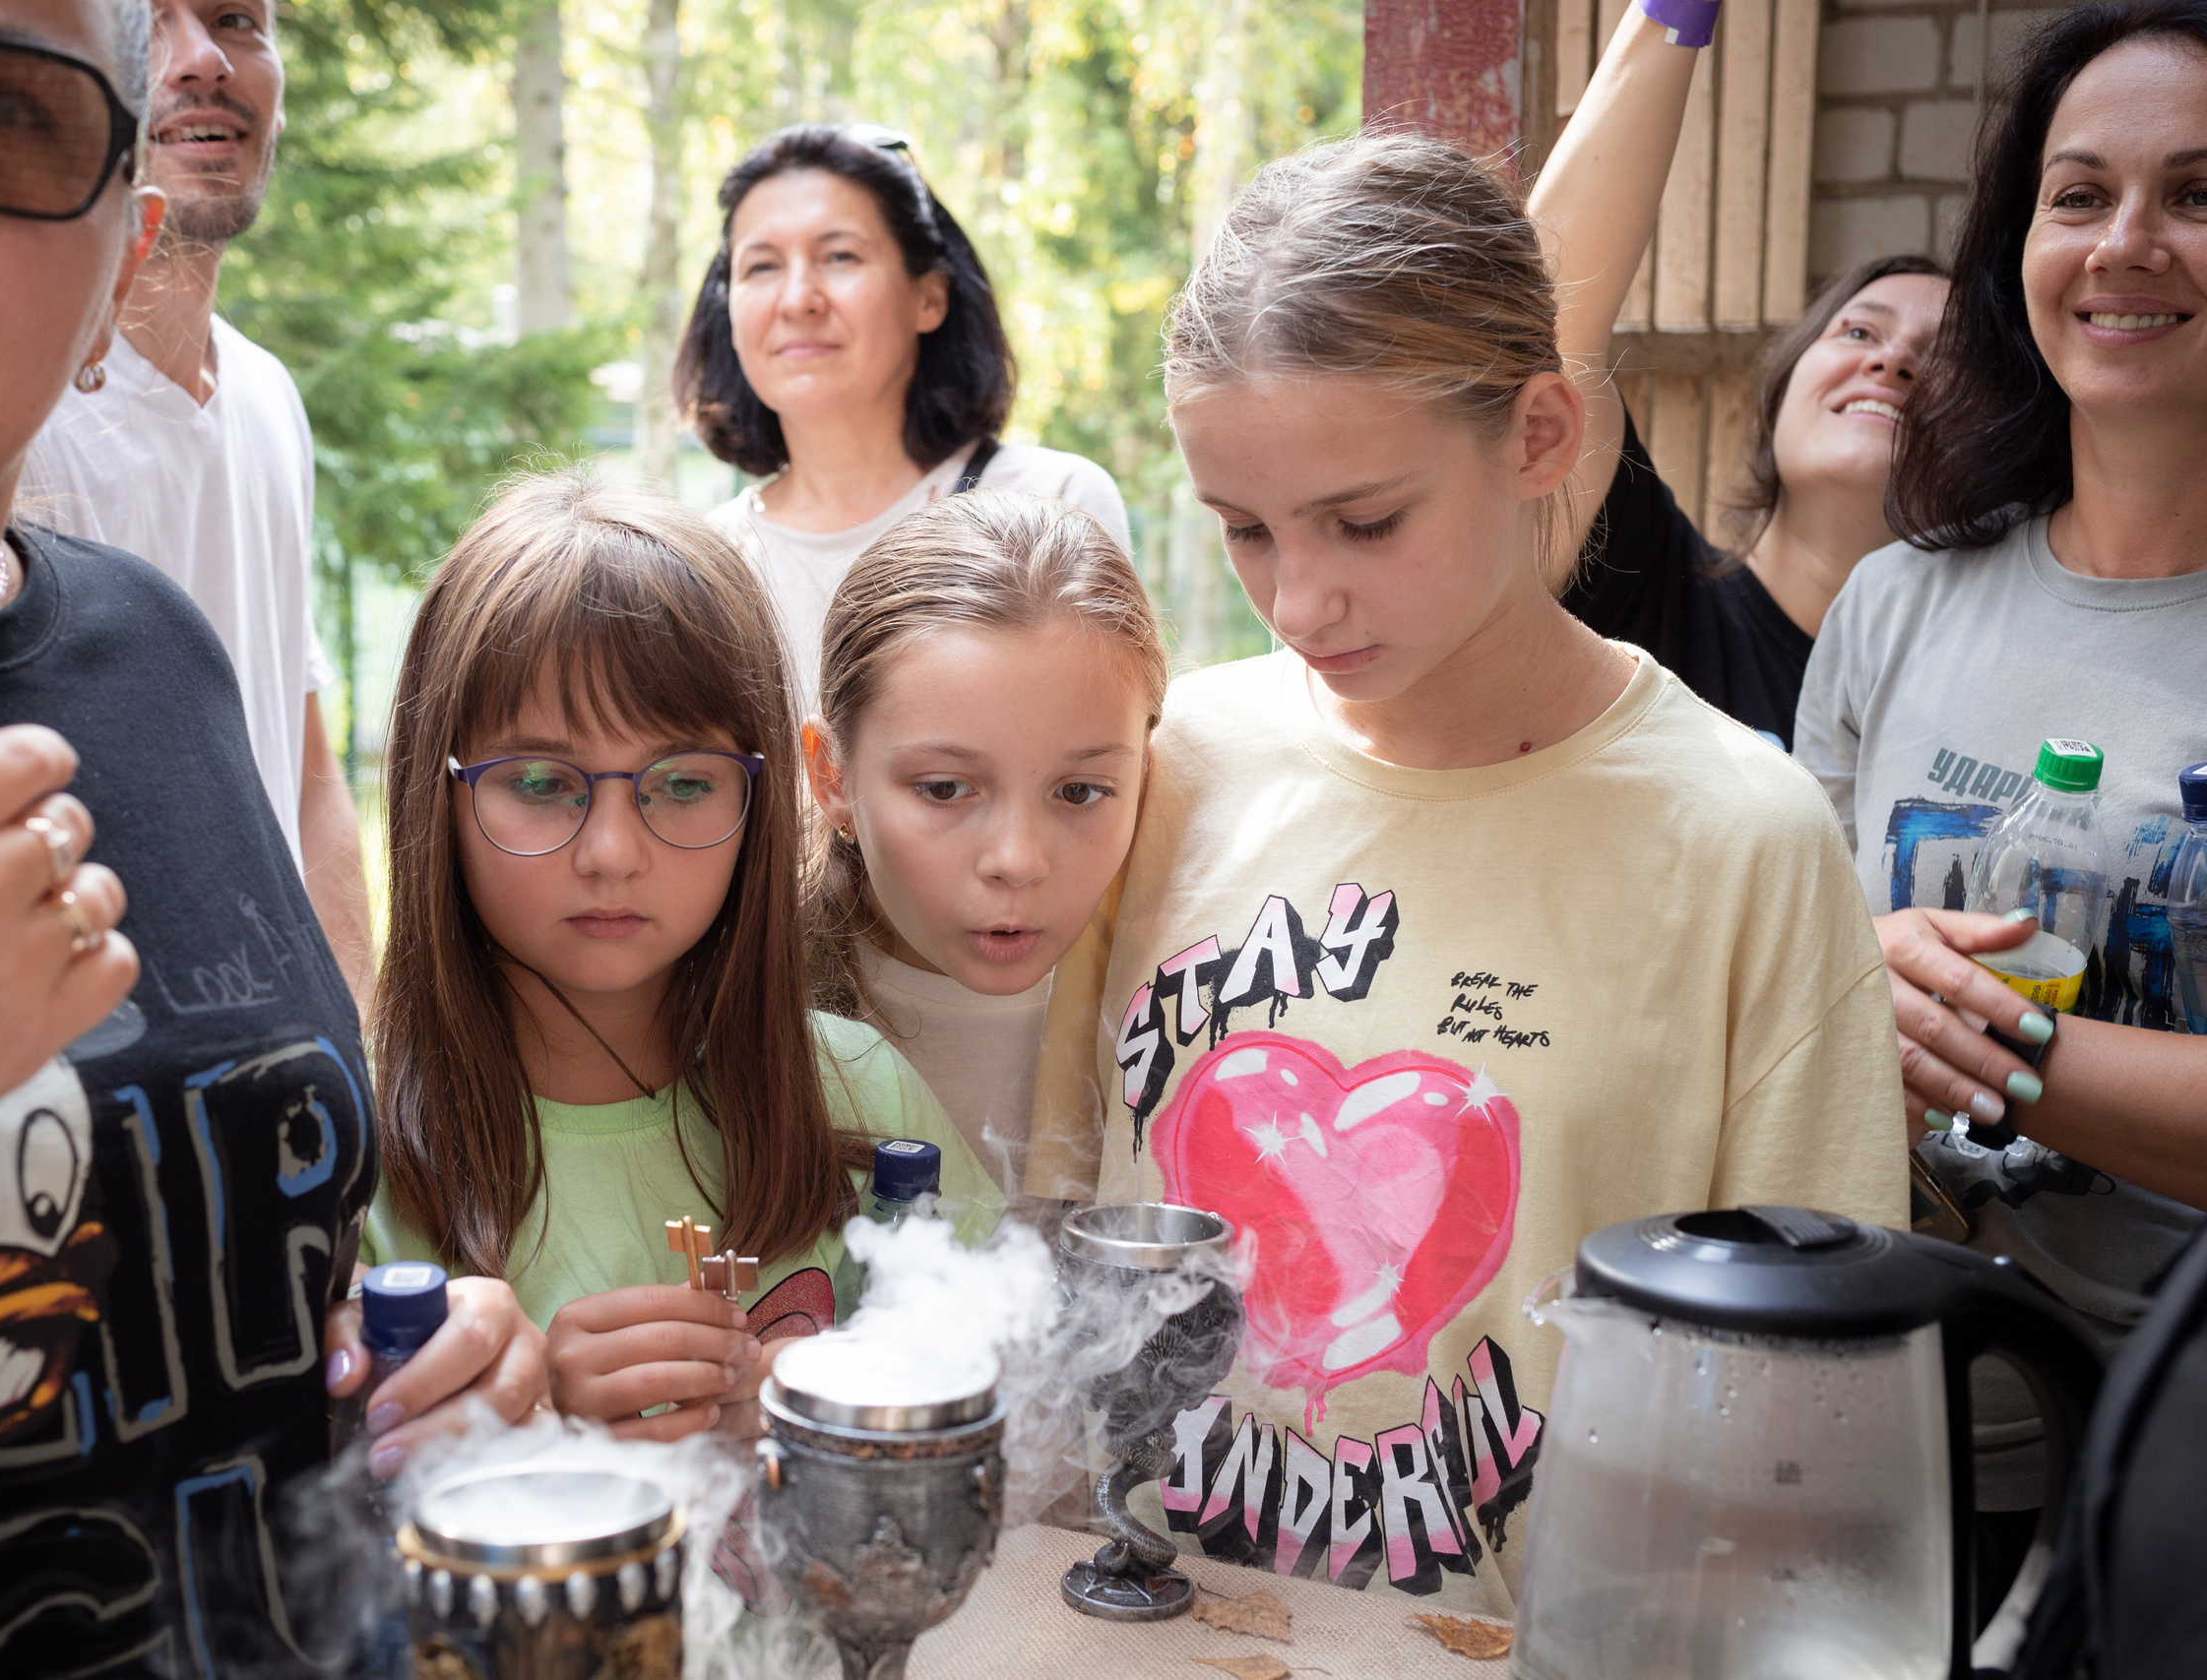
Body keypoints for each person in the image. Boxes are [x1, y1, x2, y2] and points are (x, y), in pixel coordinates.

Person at [0, 1, 539, 1667]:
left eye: (8, 108)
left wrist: (406, 1366)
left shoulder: (157, 650)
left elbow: (214, 1305)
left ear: (121, 266)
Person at [1024, 131, 1909, 1617]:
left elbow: (1809, 1407)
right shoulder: (1172, 764)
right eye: (1244, 530)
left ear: (1540, 434)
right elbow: (1063, 1229)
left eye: (1366, 521)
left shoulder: (1740, 836)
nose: (1299, 597)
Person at [1795, 0, 2207, 1610]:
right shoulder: (1896, 603)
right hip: (1881, 1430)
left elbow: (1870, 1001)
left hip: (2172, 1466)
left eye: (2197, 194)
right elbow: (1796, 988)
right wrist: (1851, 995)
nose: (2127, 243)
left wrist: (1980, 1038)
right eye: (2079, 193)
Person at [359, 473, 999, 1443]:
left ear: (761, 798)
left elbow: (1024, 1407)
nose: (612, 851)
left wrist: (853, 1413)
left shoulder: (865, 1097)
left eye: (684, 784)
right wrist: (528, 1428)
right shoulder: (348, 1156)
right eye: (539, 781)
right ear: (433, 788)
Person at [21, 0, 374, 1009]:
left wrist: (353, 1025)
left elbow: (306, 771)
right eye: (149, 19)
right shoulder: (15, 414)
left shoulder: (267, 395)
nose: (205, 59)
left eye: (237, 19)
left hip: (289, 1056)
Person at [1527, 0, 1948, 750]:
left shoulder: (1956, 715)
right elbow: (1547, 322)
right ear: (1781, 390)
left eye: (1948, 360)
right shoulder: (1649, 580)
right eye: (1858, 331)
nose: (1894, 361)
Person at [674, 122, 1130, 709]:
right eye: (761, 266)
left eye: (840, 256)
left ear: (929, 297)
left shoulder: (1055, 504)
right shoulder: (707, 567)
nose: (798, 299)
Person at [801, 490, 1167, 1204]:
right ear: (831, 775)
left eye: (1079, 791)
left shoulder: (1194, 995)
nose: (1017, 860)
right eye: (944, 789)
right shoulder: (731, 1012)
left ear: (1144, 776)